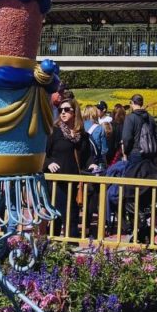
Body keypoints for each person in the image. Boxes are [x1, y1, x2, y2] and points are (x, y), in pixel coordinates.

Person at [45, 98, 97, 238]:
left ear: (75, 113)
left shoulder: (82, 135)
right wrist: (48, 162)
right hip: (57, 181)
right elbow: (43, 153)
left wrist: (92, 163)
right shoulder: (54, 132)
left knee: (72, 213)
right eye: (61, 110)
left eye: (67, 110)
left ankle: (70, 245)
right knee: (59, 213)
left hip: (74, 181)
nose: (63, 113)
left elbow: (87, 156)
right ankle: (53, 243)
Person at [120, 94, 157, 241]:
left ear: (132, 103)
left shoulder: (130, 118)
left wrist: (126, 151)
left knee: (131, 191)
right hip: (149, 157)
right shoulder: (150, 118)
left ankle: (136, 224)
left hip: (135, 155)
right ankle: (145, 225)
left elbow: (126, 138)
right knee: (146, 191)